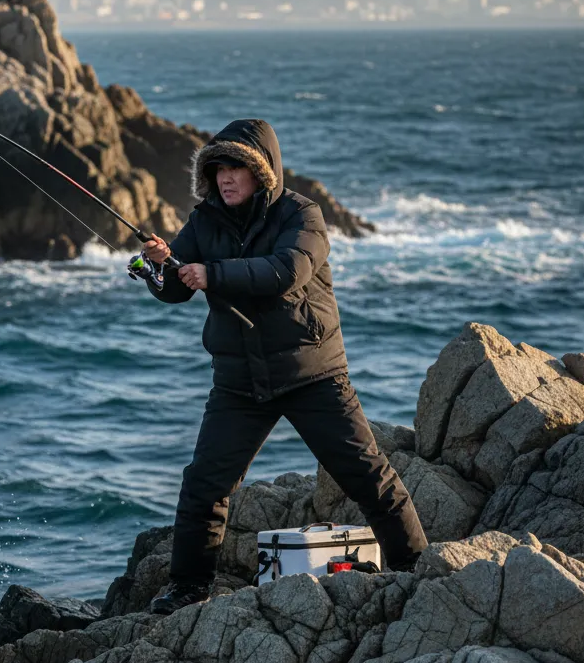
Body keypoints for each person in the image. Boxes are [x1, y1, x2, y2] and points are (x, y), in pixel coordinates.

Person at [141, 118, 428, 616]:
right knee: (204, 483)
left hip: (310, 372)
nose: (225, 178)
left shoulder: (302, 214)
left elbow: (286, 271)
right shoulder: (205, 221)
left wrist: (212, 273)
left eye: (235, 168)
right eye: (217, 169)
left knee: (365, 474)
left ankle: (417, 567)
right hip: (239, 382)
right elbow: (173, 289)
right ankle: (188, 587)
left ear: (261, 171)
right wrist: (155, 264)